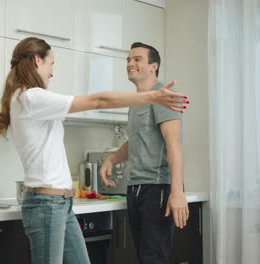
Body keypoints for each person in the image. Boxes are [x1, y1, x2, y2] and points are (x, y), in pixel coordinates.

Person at [0, 37, 188, 264]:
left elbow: (169, 143)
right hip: (47, 204)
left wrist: (112, 159)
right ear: (37, 61)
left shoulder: (31, 98)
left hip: (61, 203)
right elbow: (98, 101)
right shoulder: (31, 98)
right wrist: (152, 96)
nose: (52, 72)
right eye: (51, 64)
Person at [99, 42, 189, 264]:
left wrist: (176, 192)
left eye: (137, 59)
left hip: (157, 189)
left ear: (153, 66)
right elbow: (137, 140)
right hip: (136, 189)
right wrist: (111, 159)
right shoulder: (137, 102)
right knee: (144, 258)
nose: (130, 63)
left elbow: (173, 143)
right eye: (128, 60)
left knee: (153, 259)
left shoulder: (163, 96)